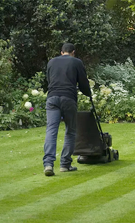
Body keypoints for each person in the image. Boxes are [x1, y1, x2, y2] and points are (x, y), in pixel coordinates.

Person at [43, 43, 91, 176]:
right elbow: (83, 83)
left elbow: (49, 80)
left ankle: (48, 164)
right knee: (70, 130)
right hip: (68, 98)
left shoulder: (51, 62)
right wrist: (88, 94)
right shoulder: (76, 62)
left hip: (52, 98)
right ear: (73, 52)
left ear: (61, 52)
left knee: (51, 130)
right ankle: (65, 164)